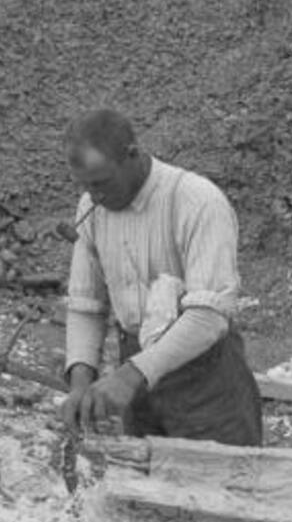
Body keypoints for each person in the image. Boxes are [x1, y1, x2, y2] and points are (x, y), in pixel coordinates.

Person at [60, 110, 263, 446]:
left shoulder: (197, 201)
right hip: (139, 382)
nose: (93, 196)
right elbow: (86, 305)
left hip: (206, 380)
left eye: (101, 183)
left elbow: (208, 317)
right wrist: (80, 383)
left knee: (222, 489)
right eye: (83, 185)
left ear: (132, 156)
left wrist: (130, 375)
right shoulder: (91, 208)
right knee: (146, 489)